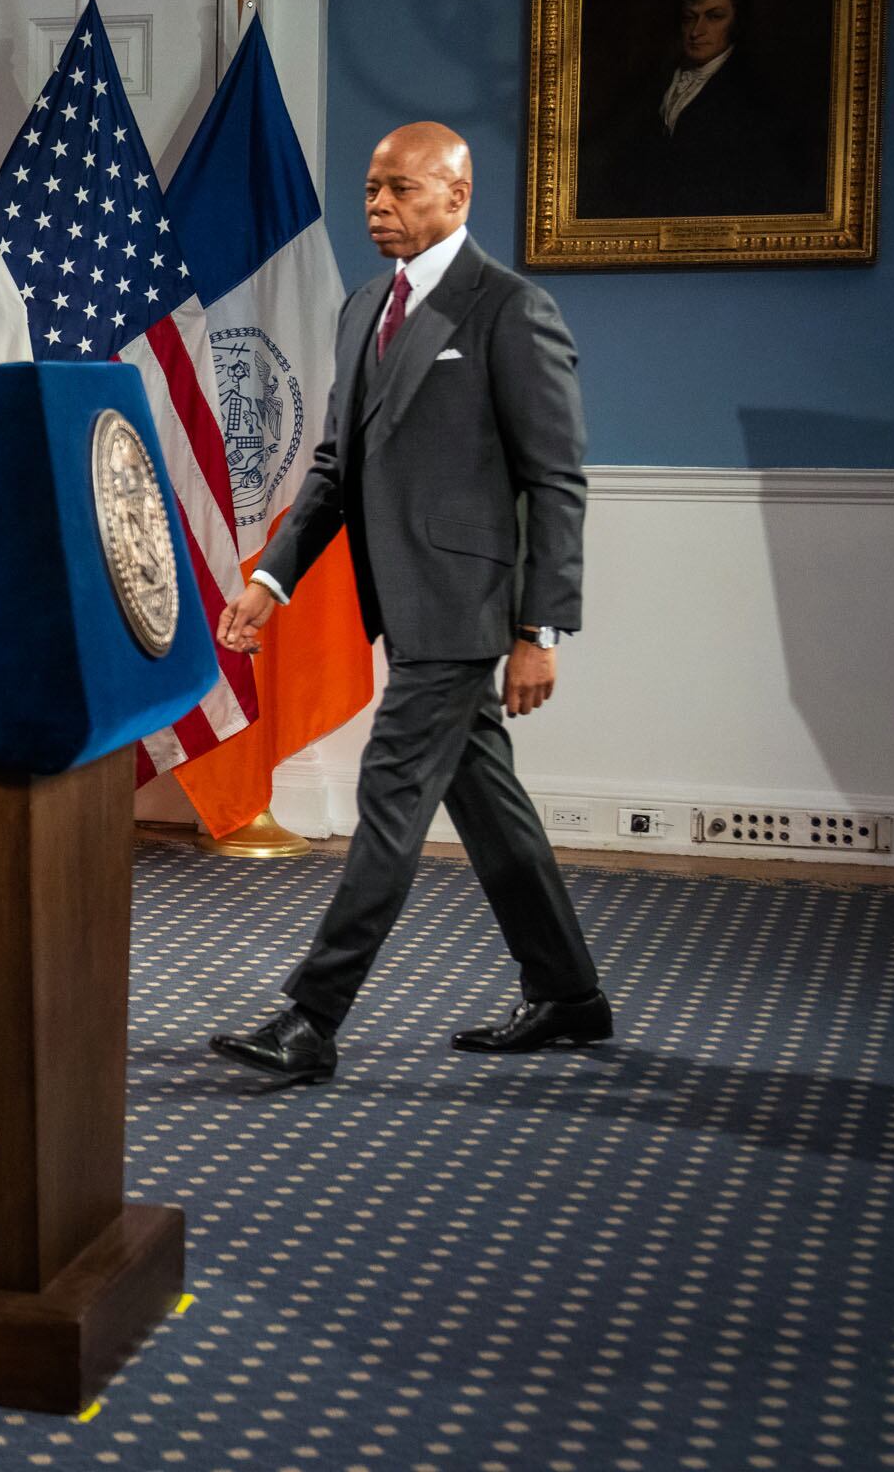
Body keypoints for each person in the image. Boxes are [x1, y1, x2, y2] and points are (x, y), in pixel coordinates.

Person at [207, 122, 608, 1086]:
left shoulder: (513, 310)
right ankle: (568, 994)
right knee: (488, 802)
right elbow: (338, 468)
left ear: (457, 197)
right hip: (409, 603)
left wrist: (537, 630)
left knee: (388, 802)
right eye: (370, 189)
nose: (378, 206)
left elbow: (557, 480)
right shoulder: (361, 309)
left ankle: (311, 1016)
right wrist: (272, 579)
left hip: (469, 610)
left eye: (399, 190)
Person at [583, 0, 813, 217]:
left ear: (737, 20)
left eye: (714, 16)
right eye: (689, 18)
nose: (696, 31)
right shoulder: (654, 81)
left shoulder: (755, 94)